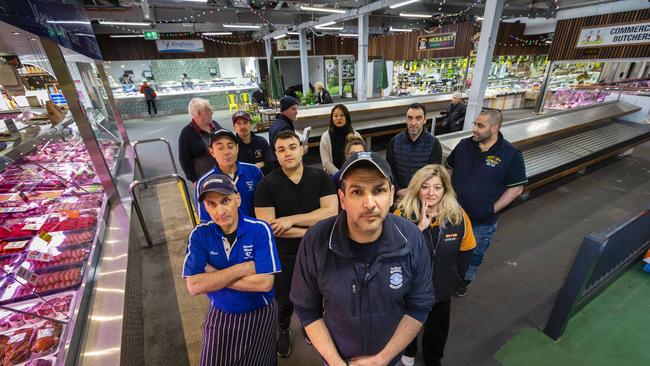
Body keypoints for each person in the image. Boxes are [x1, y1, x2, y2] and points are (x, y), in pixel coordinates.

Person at [290, 151, 434, 366]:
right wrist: (336, 363)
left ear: (392, 194)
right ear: (342, 199)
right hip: (337, 359)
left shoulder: (411, 238)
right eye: (357, 191)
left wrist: (381, 360)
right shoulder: (316, 241)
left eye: (379, 190)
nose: (370, 203)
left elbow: (419, 305)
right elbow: (307, 310)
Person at [254, 130, 338, 358]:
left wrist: (291, 220)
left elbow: (331, 212)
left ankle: (310, 324)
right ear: (275, 155)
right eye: (281, 150)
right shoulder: (266, 185)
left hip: (319, 252)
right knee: (284, 300)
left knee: (317, 294)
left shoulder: (321, 178)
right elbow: (269, 227)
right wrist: (310, 230)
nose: (287, 153)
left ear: (302, 148)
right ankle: (282, 329)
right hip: (284, 255)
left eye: (292, 147)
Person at [183, 173, 281, 366]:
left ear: (238, 199)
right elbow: (194, 286)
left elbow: (264, 283)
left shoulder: (259, 229)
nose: (220, 210)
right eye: (212, 204)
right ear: (205, 207)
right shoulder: (200, 235)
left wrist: (212, 275)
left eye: (225, 200)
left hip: (259, 314)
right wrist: (244, 268)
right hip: (220, 313)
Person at [394, 165, 476, 366]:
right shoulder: (401, 215)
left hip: (441, 288)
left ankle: (433, 358)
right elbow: (393, 254)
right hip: (409, 288)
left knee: (437, 328)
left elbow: (467, 249)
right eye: (425, 186)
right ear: (417, 188)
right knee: (407, 322)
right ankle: (409, 350)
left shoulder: (458, 216)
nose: (431, 193)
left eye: (437, 187)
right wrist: (419, 229)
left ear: (445, 190)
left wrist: (454, 277)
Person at [445, 110, 527, 297]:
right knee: (451, 249)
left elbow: (516, 188)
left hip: (481, 221)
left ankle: (466, 279)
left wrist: (491, 209)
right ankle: (449, 276)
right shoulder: (465, 145)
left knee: (474, 253)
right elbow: (448, 169)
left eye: (480, 126)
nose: (474, 129)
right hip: (454, 215)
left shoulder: (510, 154)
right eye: (475, 124)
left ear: (495, 128)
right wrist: (448, 196)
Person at [196, 129, 263, 222]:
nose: (227, 152)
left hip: (254, 230)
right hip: (225, 234)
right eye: (220, 148)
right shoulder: (204, 182)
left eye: (230, 146)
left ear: (237, 148)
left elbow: (265, 205)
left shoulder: (254, 171)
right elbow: (205, 220)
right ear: (212, 152)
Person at [386, 103, 443, 199]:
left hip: (421, 197)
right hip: (398, 197)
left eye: (418, 118)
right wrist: (398, 189)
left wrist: (417, 192)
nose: (413, 123)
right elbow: (388, 170)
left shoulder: (434, 144)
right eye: (410, 118)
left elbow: (434, 175)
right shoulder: (395, 141)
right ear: (406, 119)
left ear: (424, 120)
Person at [179, 98, 223, 184]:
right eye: (208, 111)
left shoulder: (215, 125)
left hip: (223, 173)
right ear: (198, 114)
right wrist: (193, 179)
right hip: (205, 178)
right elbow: (184, 159)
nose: (212, 113)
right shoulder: (187, 133)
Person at [319, 104, 362, 176]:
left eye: (342, 115)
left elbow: (361, 156)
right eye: (335, 116)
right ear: (332, 118)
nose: (338, 118)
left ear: (347, 117)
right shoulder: (326, 137)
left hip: (353, 174)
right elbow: (326, 162)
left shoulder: (355, 135)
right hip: (333, 175)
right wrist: (339, 175)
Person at [232, 111, 274, 175]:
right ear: (234, 127)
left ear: (251, 124)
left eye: (245, 122)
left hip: (263, 180)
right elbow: (234, 170)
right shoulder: (233, 146)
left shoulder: (261, 142)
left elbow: (271, 164)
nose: (242, 126)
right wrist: (257, 166)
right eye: (238, 123)